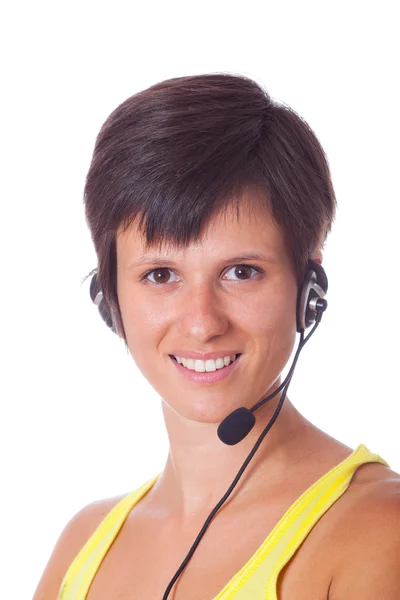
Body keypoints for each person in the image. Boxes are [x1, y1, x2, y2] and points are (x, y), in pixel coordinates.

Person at [33, 73, 400, 600]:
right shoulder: (82, 544)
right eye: (161, 275)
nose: (203, 323)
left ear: (309, 289)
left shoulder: (376, 532)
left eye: (241, 272)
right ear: (108, 298)